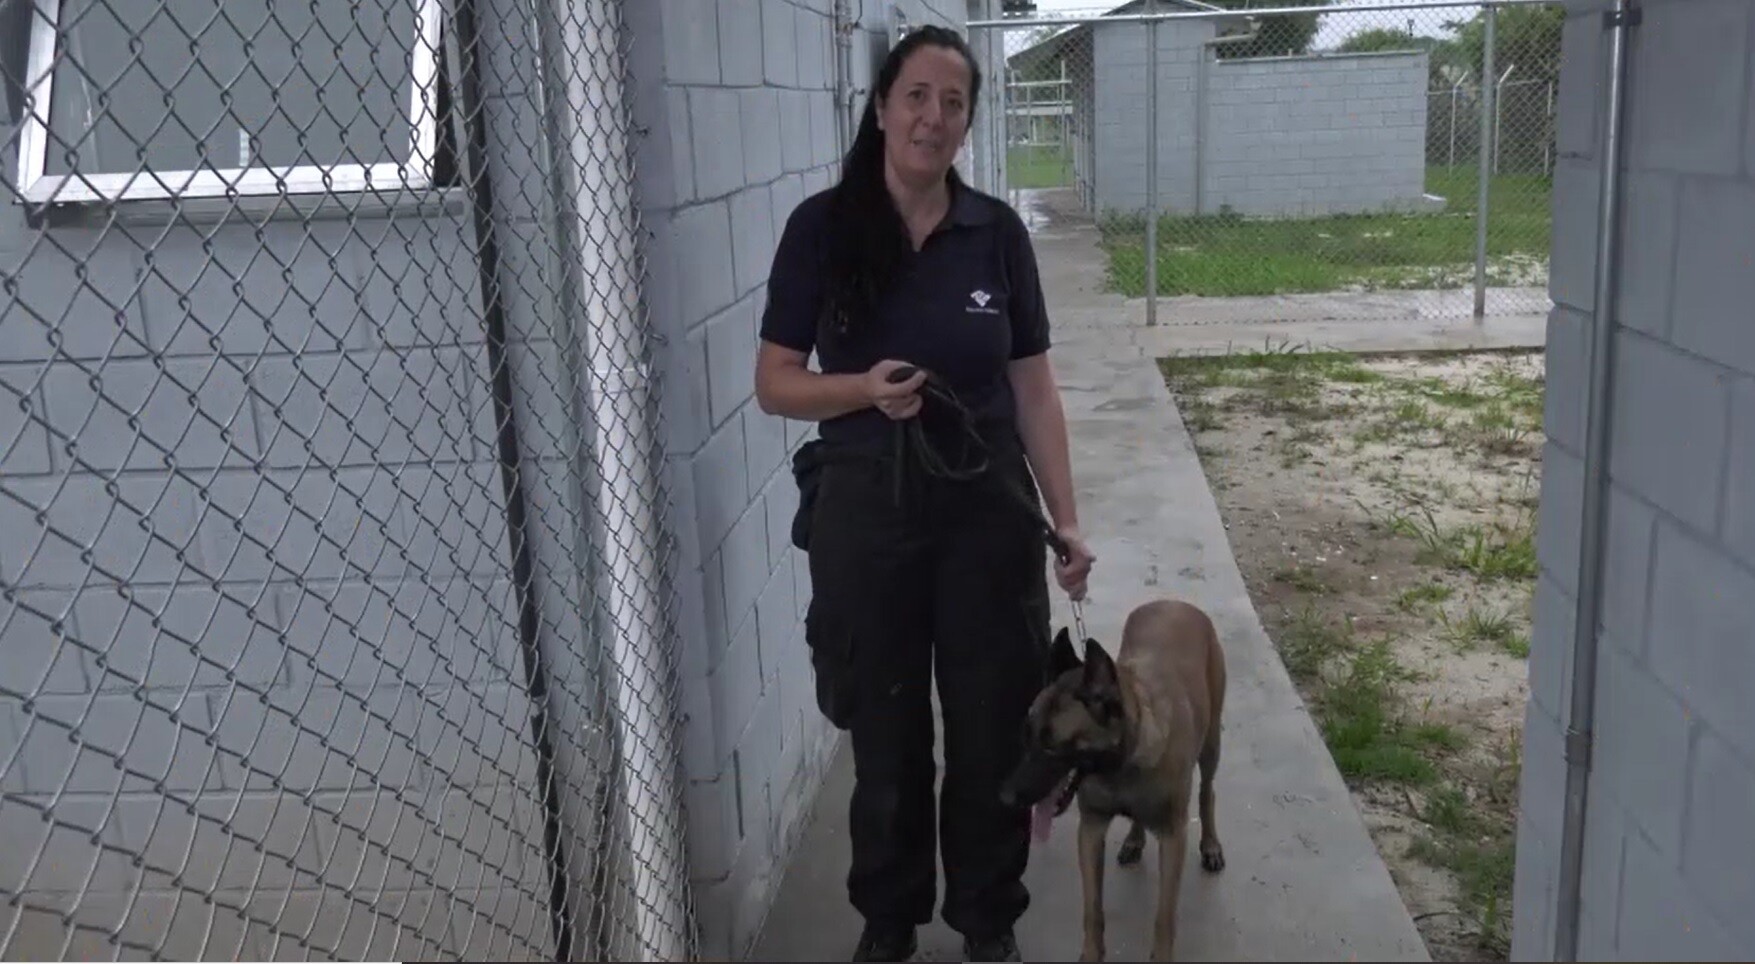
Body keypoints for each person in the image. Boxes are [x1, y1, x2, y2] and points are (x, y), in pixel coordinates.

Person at [753, 23, 1095, 964]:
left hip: (985, 499)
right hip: (866, 500)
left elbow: (1032, 386)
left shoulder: (996, 234)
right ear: (879, 108)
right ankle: (888, 920)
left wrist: (1065, 519)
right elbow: (776, 381)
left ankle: (987, 921)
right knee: (886, 722)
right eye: (916, 96)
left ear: (967, 122)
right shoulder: (821, 229)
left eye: (952, 103)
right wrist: (861, 389)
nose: (932, 118)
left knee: (991, 722)